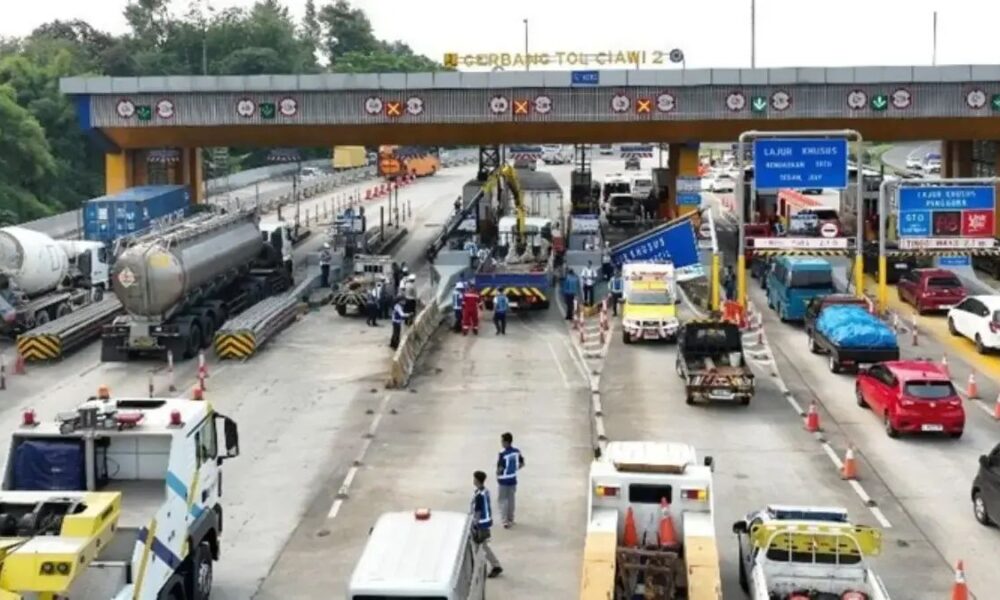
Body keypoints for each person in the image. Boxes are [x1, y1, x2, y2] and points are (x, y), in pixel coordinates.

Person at [471, 471, 503, 578]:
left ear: (477, 480)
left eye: (474, 478)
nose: (473, 480)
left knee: (482, 546)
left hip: (481, 524)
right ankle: (493, 565)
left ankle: (495, 565)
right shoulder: (485, 491)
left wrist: (474, 524)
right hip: (486, 522)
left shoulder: (479, 495)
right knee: (482, 546)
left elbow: (478, 512)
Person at [496, 432, 525, 528]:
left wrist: (498, 474)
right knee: (511, 499)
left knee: (503, 500)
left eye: (502, 441)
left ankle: (504, 521)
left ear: (506, 442)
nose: (501, 443)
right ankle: (511, 518)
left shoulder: (502, 453)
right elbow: (521, 464)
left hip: (503, 480)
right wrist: (514, 470)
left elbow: (500, 467)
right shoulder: (516, 451)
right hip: (512, 478)